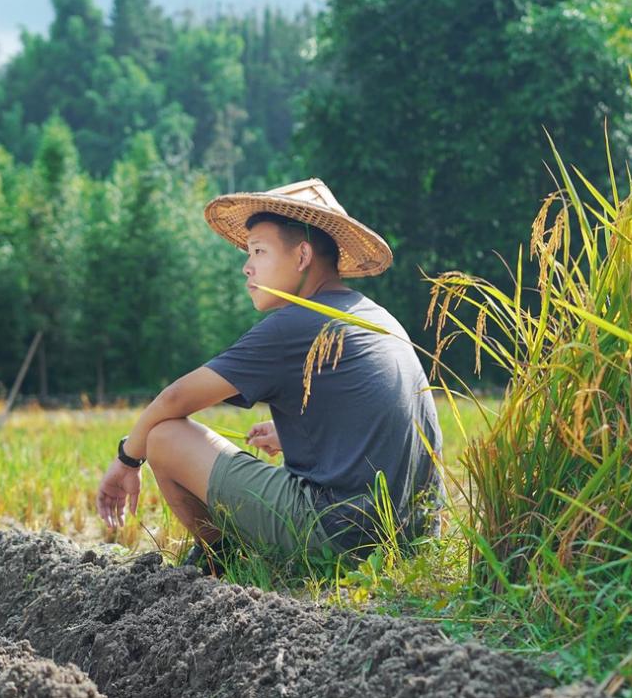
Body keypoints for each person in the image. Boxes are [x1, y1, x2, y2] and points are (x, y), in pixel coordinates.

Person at [95, 178, 443, 573]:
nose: (247, 266)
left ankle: (225, 562)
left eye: (259, 251)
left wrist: (128, 459)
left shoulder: (297, 321)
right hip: (410, 539)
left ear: (302, 256)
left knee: (163, 436)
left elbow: (174, 399)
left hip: (339, 536)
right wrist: (302, 434)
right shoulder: (374, 316)